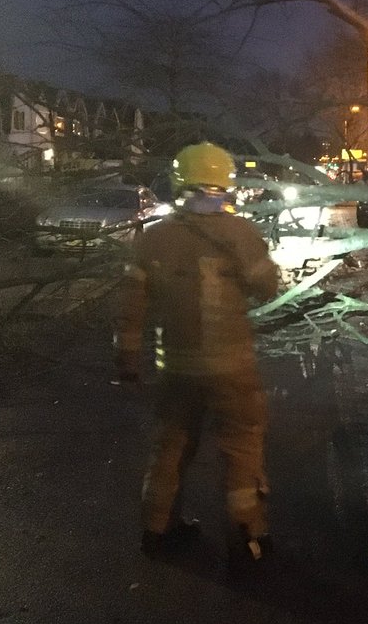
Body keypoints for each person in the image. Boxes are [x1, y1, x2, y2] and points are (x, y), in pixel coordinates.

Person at [114, 142, 280, 566]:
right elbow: (267, 286)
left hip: (177, 368)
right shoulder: (239, 232)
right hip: (232, 368)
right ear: (224, 184)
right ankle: (247, 538)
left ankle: (157, 530)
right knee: (241, 448)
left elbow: (130, 309)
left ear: (178, 183)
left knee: (171, 445)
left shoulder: (152, 238)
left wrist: (128, 363)